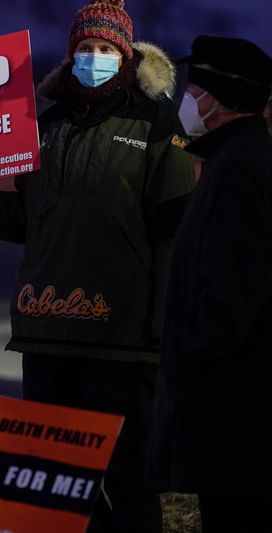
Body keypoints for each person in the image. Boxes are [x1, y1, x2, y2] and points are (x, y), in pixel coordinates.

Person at [0, 1, 195, 531]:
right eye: (84, 49)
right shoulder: (44, 123)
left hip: (122, 335)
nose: (93, 58)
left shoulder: (154, 122)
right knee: (54, 479)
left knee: (127, 479)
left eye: (104, 49)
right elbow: (23, 223)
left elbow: (174, 233)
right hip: (47, 330)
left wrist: (164, 324)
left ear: (125, 55)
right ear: (70, 53)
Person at [147, 36, 272, 532]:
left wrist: (184, 354)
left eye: (195, 89)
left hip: (237, 412)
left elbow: (232, 294)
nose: (188, 100)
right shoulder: (233, 159)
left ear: (219, 101)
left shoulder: (241, 169)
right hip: (234, 407)